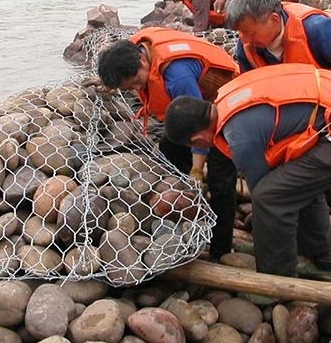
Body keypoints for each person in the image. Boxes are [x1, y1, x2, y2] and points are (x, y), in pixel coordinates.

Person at [164, 63, 331, 282]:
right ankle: (322, 263)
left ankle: (277, 280)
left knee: (270, 197)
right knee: (295, 185)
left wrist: (266, 244)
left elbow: (266, 196)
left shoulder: (239, 135)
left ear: (197, 139)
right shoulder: (224, 99)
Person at [225, 0, 331, 259]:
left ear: (273, 19)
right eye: (241, 33)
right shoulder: (247, 47)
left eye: (249, 31)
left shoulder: (316, 29)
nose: (245, 39)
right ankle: (300, 237)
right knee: (297, 180)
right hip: (291, 123)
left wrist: (329, 102)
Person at [96, 27, 239, 260]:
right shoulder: (135, 51)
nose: (136, 89)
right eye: (128, 88)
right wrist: (108, 84)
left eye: (136, 82)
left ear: (142, 60)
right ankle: (189, 199)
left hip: (222, 111)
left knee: (221, 181)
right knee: (167, 150)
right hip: (196, 112)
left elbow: (200, 128)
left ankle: (220, 248)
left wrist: (196, 169)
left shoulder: (178, 76)